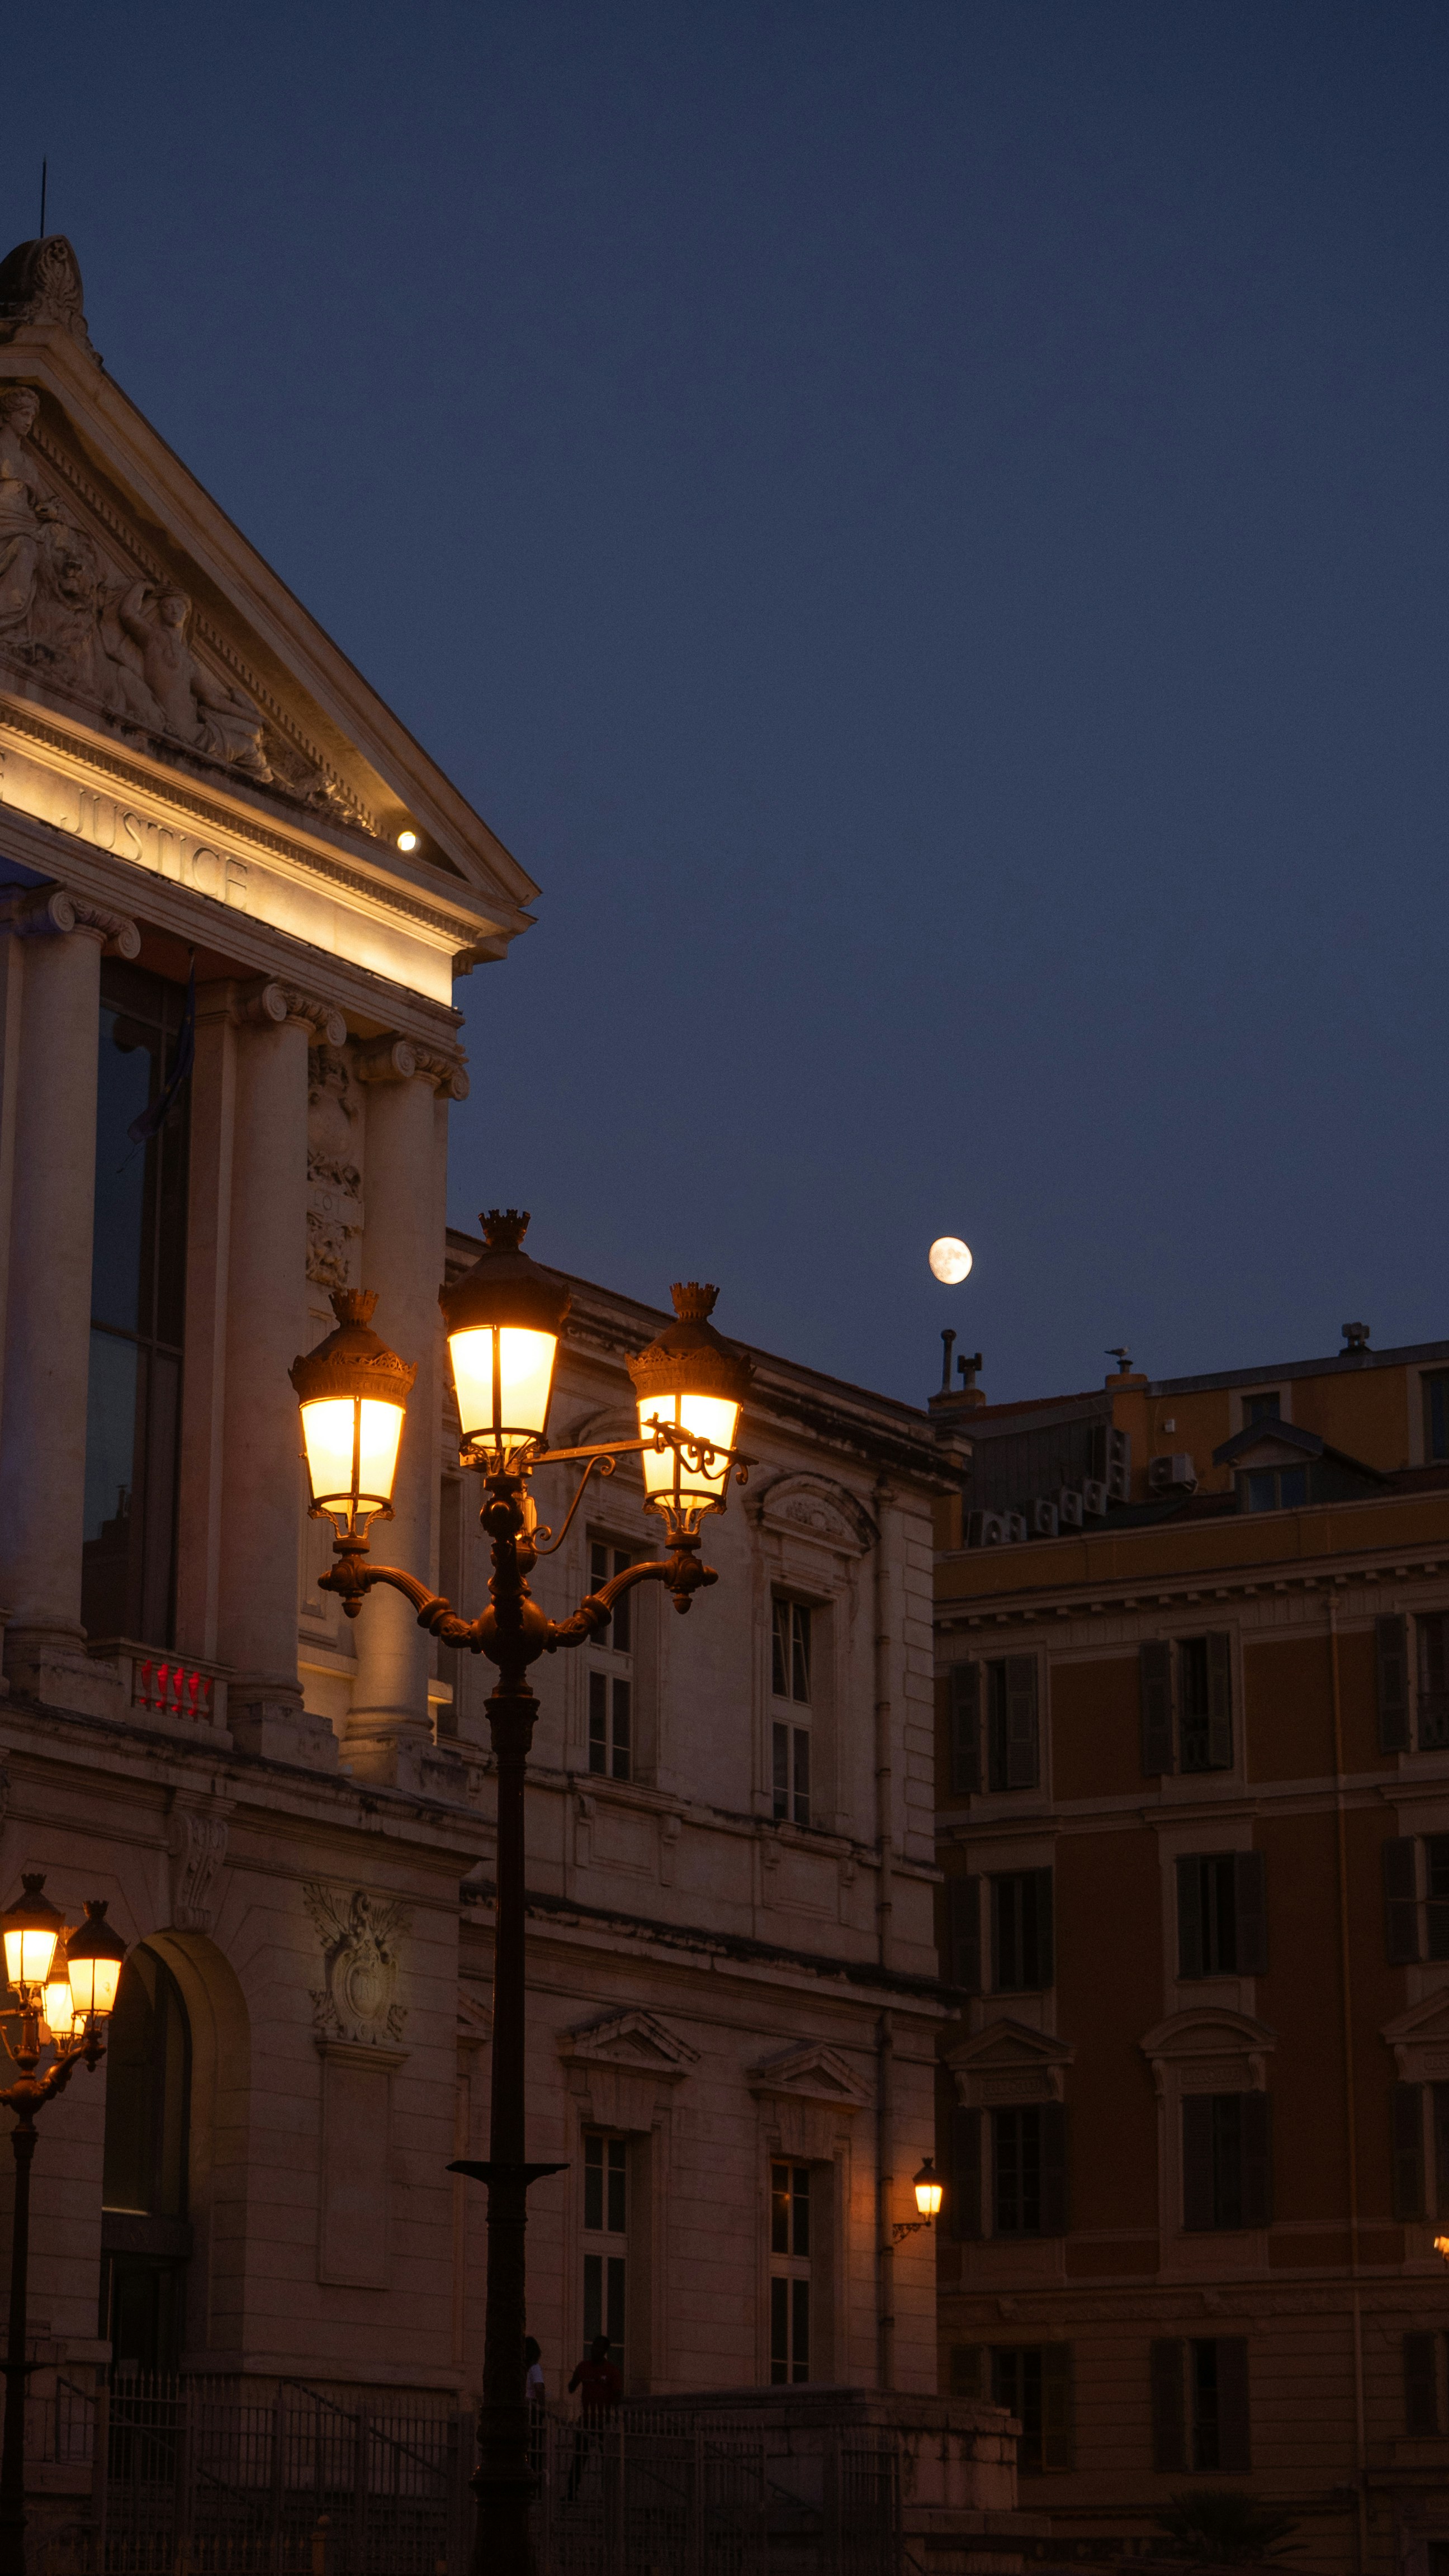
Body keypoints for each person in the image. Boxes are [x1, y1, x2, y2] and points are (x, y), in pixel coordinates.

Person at [565, 2334, 621, 2501]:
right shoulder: (584, 2367)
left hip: (604, 2422)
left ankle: (610, 2494)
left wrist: (614, 2415)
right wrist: (577, 2379)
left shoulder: (612, 2371)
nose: (594, 2350)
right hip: (587, 2420)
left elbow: (618, 2395)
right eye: (593, 2346)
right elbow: (571, 2387)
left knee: (609, 2460)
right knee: (579, 2457)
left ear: (605, 2351)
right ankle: (571, 2492)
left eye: (598, 2348)